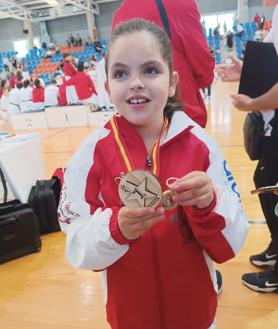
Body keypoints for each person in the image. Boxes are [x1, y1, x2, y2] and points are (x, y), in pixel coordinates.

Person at [58, 19, 248, 329]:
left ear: (172, 81)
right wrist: (113, 228)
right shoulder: (90, 156)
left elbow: (230, 244)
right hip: (129, 319)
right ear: (107, 88)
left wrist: (208, 203)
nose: (135, 82)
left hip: (197, 317)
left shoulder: (201, 146)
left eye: (150, 70)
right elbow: (78, 249)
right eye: (121, 73)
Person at [215, 4, 278, 293]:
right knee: (264, 182)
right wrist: (246, 72)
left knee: (272, 187)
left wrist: (253, 103)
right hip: (271, 124)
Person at [112, 0, 215, 128]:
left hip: (138, 122)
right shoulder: (180, 3)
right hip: (181, 111)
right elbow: (202, 64)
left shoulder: (120, 13)